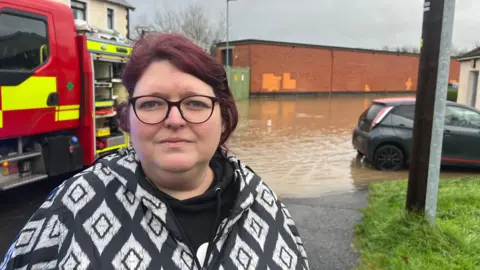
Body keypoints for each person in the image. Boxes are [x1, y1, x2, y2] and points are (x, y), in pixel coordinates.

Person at [0, 33, 309, 270]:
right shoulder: (69, 210)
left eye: (195, 103)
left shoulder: (265, 204)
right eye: (152, 103)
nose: (174, 120)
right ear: (128, 118)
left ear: (224, 117)